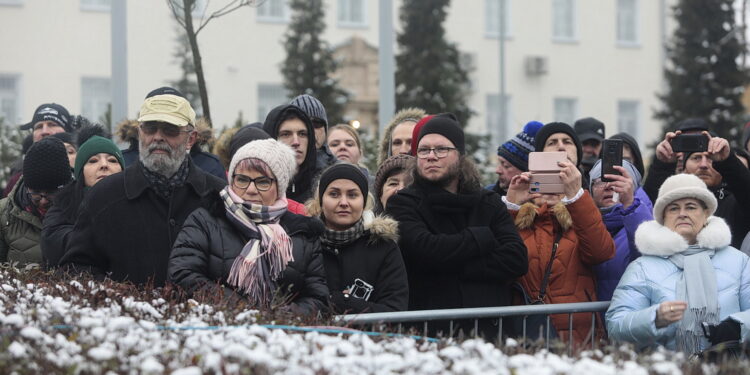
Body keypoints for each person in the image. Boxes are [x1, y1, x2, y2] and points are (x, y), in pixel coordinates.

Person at [59, 88, 226, 286]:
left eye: (170, 129)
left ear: (191, 138)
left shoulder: (220, 196)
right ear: (140, 133)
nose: (158, 137)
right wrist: (119, 298)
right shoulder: (104, 197)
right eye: (150, 128)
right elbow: (76, 269)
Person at [386, 113, 528, 339]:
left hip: (489, 334)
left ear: (460, 155)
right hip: (430, 334)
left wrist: (447, 266)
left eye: (441, 149)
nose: (431, 156)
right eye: (423, 150)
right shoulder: (402, 203)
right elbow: (424, 251)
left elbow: (516, 259)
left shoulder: (488, 202)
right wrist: (480, 238)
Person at [169, 139, 328, 314]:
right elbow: (183, 274)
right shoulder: (205, 220)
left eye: (262, 182)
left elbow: (317, 298)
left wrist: (281, 317)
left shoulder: (302, 233)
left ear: (279, 186)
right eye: (242, 179)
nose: (251, 189)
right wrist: (241, 309)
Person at [606, 174, 750, 354]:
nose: (682, 213)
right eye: (673, 208)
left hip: (730, 367)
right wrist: (654, 318)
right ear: (663, 218)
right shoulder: (642, 267)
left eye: (691, 207)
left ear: (706, 214)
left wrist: (737, 326)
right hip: (668, 367)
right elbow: (616, 326)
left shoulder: (738, 261)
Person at [504, 146, 615, 344]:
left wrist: (577, 197)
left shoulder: (581, 221)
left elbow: (601, 252)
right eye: (544, 177)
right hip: (527, 334)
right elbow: (500, 259)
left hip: (577, 335)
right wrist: (512, 206)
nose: (551, 185)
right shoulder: (521, 223)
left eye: (559, 178)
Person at [306, 163, 408, 314]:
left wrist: (342, 301)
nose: (344, 202)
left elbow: (394, 311)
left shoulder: (383, 247)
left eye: (352, 195)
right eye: (334, 194)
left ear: (364, 201)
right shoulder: (305, 242)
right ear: (321, 200)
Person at [643, 128, 750, 248]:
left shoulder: (735, 204)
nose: (703, 165)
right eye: (696, 158)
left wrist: (728, 160)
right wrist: (662, 165)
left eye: (710, 158)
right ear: (683, 167)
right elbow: (648, 207)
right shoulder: (669, 201)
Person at [41, 133, 124, 268]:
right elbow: (56, 247)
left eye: (112, 160)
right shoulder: (62, 208)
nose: (104, 165)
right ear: (81, 173)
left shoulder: (139, 204)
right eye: (93, 161)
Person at [0, 137, 72, 266]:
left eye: (52, 192)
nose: (43, 201)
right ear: (27, 186)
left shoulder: (82, 209)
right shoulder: (3, 213)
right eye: (36, 193)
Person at [588, 159, 653, 302]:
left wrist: (629, 204)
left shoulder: (649, 223)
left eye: (619, 180)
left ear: (633, 188)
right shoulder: (582, 225)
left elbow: (648, 256)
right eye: (600, 181)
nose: (609, 186)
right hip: (591, 322)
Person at [3, 103, 74, 198]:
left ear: (67, 131)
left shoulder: (86, 171)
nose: (44, 131)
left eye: (52, 124)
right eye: (39, 126)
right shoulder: (17, 179)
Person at [263, 104, 321, 203]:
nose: (296, 142)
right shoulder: (256, 185)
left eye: (302, 134)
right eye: (286, 134)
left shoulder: (322, 185)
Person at [487, 121, 543, 196]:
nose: (498, 170)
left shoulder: (544, 201)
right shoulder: (487, 196)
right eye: (499, 163)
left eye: (506, 166)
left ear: (527, 171)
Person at [534, 122, 588, 189]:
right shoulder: (528, 192)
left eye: (567, 142)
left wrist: (578, 196)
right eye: (552, 143)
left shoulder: (594, 192)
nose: (561, 147)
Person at [291, 94, 337, 170]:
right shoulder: (275, 171)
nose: (311, 130)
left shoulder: (339, 173)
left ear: (325, 129)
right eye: (303, 124)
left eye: (316, 123)